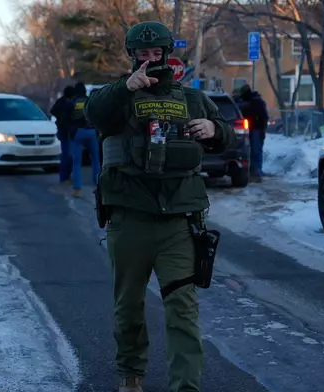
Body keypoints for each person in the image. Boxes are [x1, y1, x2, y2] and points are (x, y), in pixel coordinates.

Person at [84, 21, 235, 392]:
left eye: (156, 54)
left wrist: (215, 131)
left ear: (167, 55)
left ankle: (186, 386)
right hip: (129, 218)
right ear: (132, 56)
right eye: (142, 54)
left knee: (182, 309)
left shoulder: (192, 99)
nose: (149, 60)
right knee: (129, 306)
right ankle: (131, 376)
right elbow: (94, 113)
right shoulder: (118, 97)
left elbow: (226, 131)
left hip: (179, 224)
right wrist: (125, 88)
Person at [69, 82, 101, 197]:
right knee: (96, 160)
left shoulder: (72, 101)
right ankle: (98, 185)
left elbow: (68, 118)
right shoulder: (90, 100)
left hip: (78, 132)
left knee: (77, 162)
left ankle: (77, 188)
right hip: (92, 132)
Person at [236, 84, 269, 182]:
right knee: (253, 150)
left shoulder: (255, 102)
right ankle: (254, 170)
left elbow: (263, 117)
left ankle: (256, 171)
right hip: (252, 129)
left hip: (255, 129)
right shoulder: (253, 101)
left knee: (255, 150)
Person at [50, 85, 75, 183]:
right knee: (68, 155)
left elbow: (53, 111)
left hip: (62, 130)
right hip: (67, 131)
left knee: (66, 154)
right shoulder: (70, 103)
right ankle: (65, 176)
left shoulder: (60, 101)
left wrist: (59, 119)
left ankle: (64, 176)